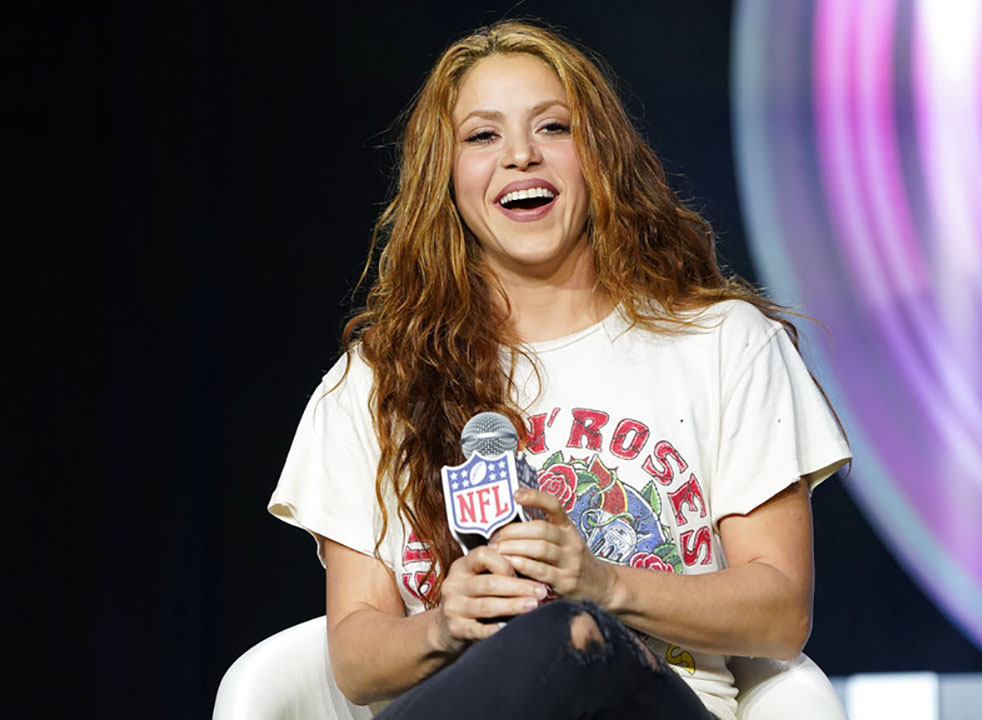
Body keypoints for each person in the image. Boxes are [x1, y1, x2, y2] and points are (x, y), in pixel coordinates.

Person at [269, 20, 850, 720]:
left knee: (569, 637)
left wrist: (601, 584)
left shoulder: (724, 344)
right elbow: (356, 662)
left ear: (599, 155)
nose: (519, 155)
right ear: (445, 179)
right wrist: (443, 625)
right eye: (483, 137)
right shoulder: (375, 382)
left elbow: (780, 612)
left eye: (553, 128)